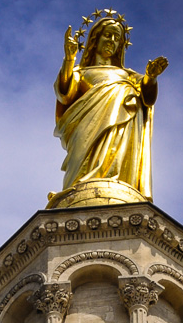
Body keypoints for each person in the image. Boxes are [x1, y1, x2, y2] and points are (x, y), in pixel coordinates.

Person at [53, 13, 167, 199]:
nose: (112, 41)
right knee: (81, 172)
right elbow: (65, 94)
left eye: (117, 38)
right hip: (86, 128)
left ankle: (118, 188)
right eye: (108, 35)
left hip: (125, 129)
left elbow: (148, 98)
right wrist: (69, 59)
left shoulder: (129, 76)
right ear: (95, 39)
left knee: (118, 162)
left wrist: (150, 78)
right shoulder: (81, 72)